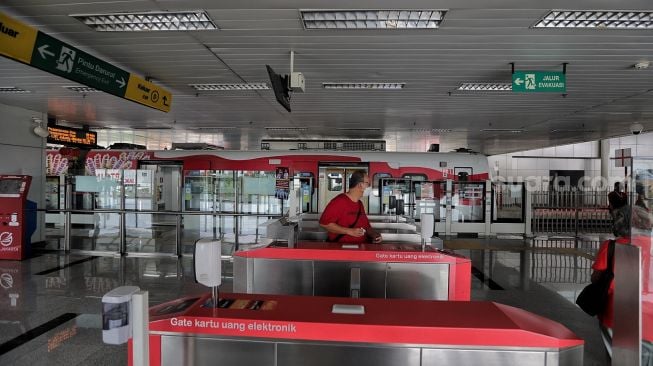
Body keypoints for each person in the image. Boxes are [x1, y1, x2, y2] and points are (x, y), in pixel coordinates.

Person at [591, 206, 653, 364]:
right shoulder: (651, 245)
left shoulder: (610, 247)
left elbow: (596, 278)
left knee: (618, 357)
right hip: (649, 312)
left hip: (616, 312)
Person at [319, 170, 382, 244]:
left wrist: (374, 234)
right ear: (360, 185)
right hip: (343, 249)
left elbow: (366, 226)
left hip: (360, 247)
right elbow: (324, 224)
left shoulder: (359, 204)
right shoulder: (339, 201)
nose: (369, 187)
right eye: (368, 184)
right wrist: (348, 231)